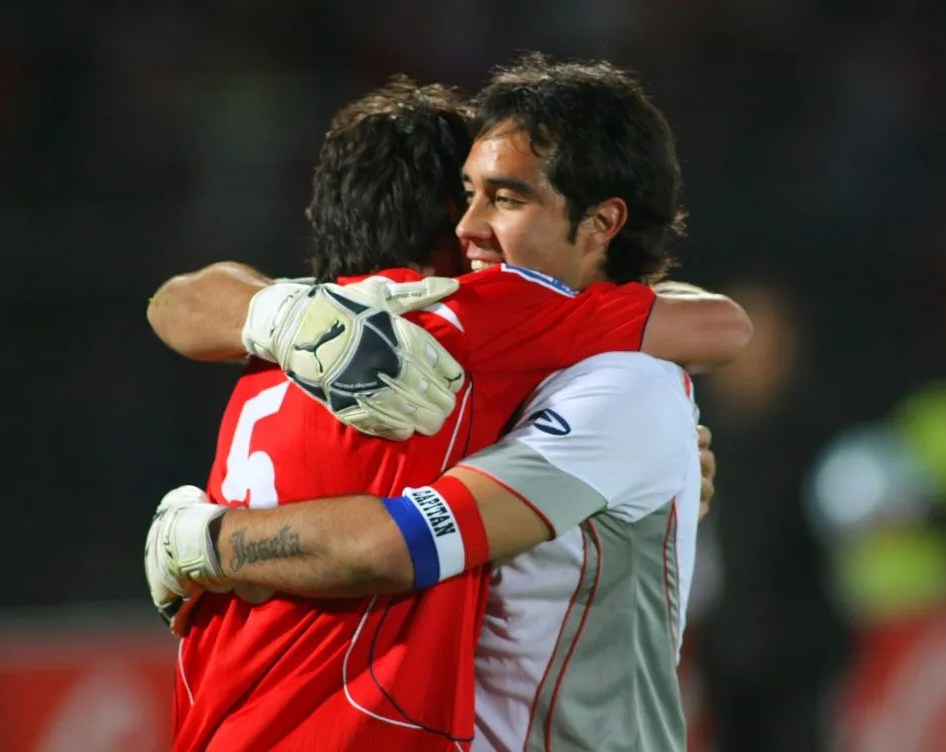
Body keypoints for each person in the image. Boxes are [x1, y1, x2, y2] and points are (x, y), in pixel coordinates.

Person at [146, 58, 750, 751]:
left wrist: (205, 539)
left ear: (602, 221)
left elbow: (172, 302)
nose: (471, 227)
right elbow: (724, 326)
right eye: (466, 196)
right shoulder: (459, 330)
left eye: (505, 198)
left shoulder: (279, 352)